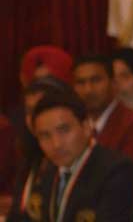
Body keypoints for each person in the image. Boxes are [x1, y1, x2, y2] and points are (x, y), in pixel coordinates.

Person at [32, 91, 133, 222]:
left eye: (64, 130)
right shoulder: (48, 173)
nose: (56, 144)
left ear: (87, 127)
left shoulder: (117, 171)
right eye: (45, 136)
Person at [72, 54, 133, 172]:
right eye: (80, 82)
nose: (88, 90)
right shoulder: (73, 125)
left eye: (96, 80)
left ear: (114, 83)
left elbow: (129, 177)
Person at [5, 78, 71, 222]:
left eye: (41, 109)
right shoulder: (31, 158)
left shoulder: (68, 158)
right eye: (29, 111)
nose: (34, 117)